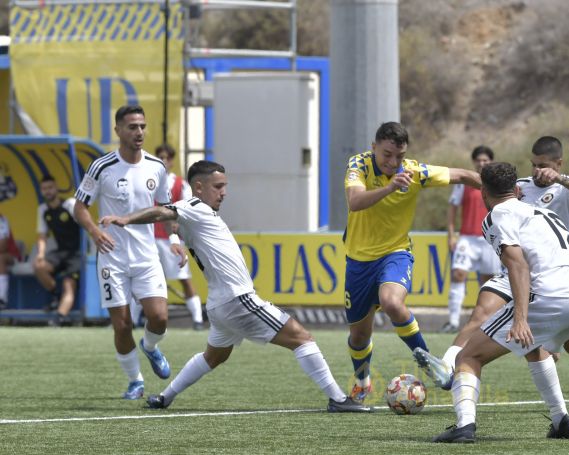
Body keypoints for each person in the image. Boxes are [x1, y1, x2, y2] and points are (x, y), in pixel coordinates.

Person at [99, 160, 370, 413]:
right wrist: (126, 219)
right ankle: (338, 399)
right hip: (237, 298)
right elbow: (163, 211)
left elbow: (175, 223)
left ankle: (164, 397)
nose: (224, 192)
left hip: (220, 304)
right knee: (302, 338)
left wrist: (176, 242)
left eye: (225, 186)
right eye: (218, 186)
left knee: (213, 357)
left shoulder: (197, 214)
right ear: (199, 187)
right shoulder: (195, 206)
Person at [415, 136, 569, 398]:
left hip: (549, 277)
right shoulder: (520, 187)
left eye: (544, 165)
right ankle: (447, 365)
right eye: (534, 165)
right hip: (513, 270)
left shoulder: (566, 190)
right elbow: (480, 181)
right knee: (481, 312)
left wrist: (560, 179)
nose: (537, 171)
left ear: (558, 164)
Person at [430, 162, 569, 443]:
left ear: (483, 193)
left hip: (551, 295)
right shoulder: (544, 213)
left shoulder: (497, 214)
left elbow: (518, 265)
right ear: (517, 190)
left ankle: (464, 426)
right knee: (532, 347)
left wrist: (520, 318)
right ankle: (561, 420)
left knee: (468, 356)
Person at [342, 121, 481, 403]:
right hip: (358, 261)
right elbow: (355, 201)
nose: (394, 163)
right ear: (374, 148)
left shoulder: (415, 172)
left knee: (392, 302)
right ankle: (362, 380)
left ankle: (430, 362)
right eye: (387, 155)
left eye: (399, 157)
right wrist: (391, 187)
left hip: (395, 253)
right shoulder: (359, 165)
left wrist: (505, 192)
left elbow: (464, 175)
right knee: (358, 336)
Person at [73, 104, 172, 400]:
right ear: (118, 131)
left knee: (160, 317)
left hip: (146, 257)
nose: (139, 132)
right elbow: (80, 207)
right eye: (132, 127)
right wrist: (95, 231)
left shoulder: (156, 166)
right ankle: (135, 381)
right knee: (121, 323)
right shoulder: (101, 166)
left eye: (142, 126)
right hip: (112, 257)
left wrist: (177, 240)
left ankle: (151, 347)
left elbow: (165, 210)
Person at [129, 143, 205, 330]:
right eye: (160, 157)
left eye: (167, 158)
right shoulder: (147, 181)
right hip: (149, 239)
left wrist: (179, 232)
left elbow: (187, 210)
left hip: (170, 239)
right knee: (142, 280)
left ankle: (197, 319)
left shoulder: (181, 184)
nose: (163, 161)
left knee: (183, 278)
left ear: (172, 161)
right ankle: (131, 321)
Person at [440, 145, 501, 333]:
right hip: (467, 238)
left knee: (488, 281)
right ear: (474, 162)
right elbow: (452, 209)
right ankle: (453, 321)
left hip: (490, 240)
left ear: (491, 161)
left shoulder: (498, 183)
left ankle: (486, 322)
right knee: (458, 274)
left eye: (485, 160)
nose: (482, 163)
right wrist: (452, 235)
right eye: (479, 160)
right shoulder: (464, 182)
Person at [34, 175, 82, 326]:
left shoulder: (69, 204)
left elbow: (85, 222)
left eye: (50, 188)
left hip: (76, 253)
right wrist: (41, 254)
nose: (47, 191)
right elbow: (42, 236)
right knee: (38, 266)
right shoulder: (43, 210)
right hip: (60, 252)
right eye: (44, 189)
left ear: (56, 188)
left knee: (69, 285)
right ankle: (56, 295)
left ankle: (59, 318)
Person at [0, 213, 21, 310]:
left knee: (0, 258)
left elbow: (2, 247)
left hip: (11, 255)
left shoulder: (1, 219)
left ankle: (2, 299)